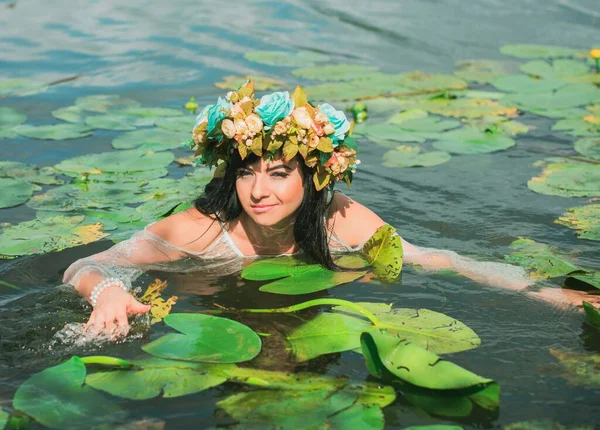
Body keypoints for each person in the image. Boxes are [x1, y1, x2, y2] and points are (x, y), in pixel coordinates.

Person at [62, 82, 593, 335]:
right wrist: (107, 292)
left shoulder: (340, 218)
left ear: (314, 177)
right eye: (246, 172)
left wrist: (552, 295)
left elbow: (441, 260)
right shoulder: (202, 229)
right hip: (199, 319)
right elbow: (84, 265)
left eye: (279, 172)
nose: (258, 191)